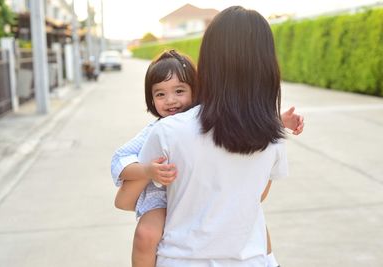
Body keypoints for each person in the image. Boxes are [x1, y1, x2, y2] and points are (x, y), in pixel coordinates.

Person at [113, 51, 303, 267]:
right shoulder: (157, 130)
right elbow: (120, 159)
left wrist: (277, 121)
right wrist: (147, 171)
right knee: (146, 234)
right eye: (160, 95)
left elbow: (247, 121)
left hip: (200, 201)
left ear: (196, 91)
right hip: (160, 196)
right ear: (151, 98)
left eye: (179, 91)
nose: (171, 101)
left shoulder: (213, 121)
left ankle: (269, 261)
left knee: (256, 222)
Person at [137, 6, 291, 266]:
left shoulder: (168, 131)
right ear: (267, 66)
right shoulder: (272, 136)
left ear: (207, 61)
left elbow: (140, 196)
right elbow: (257, 196)